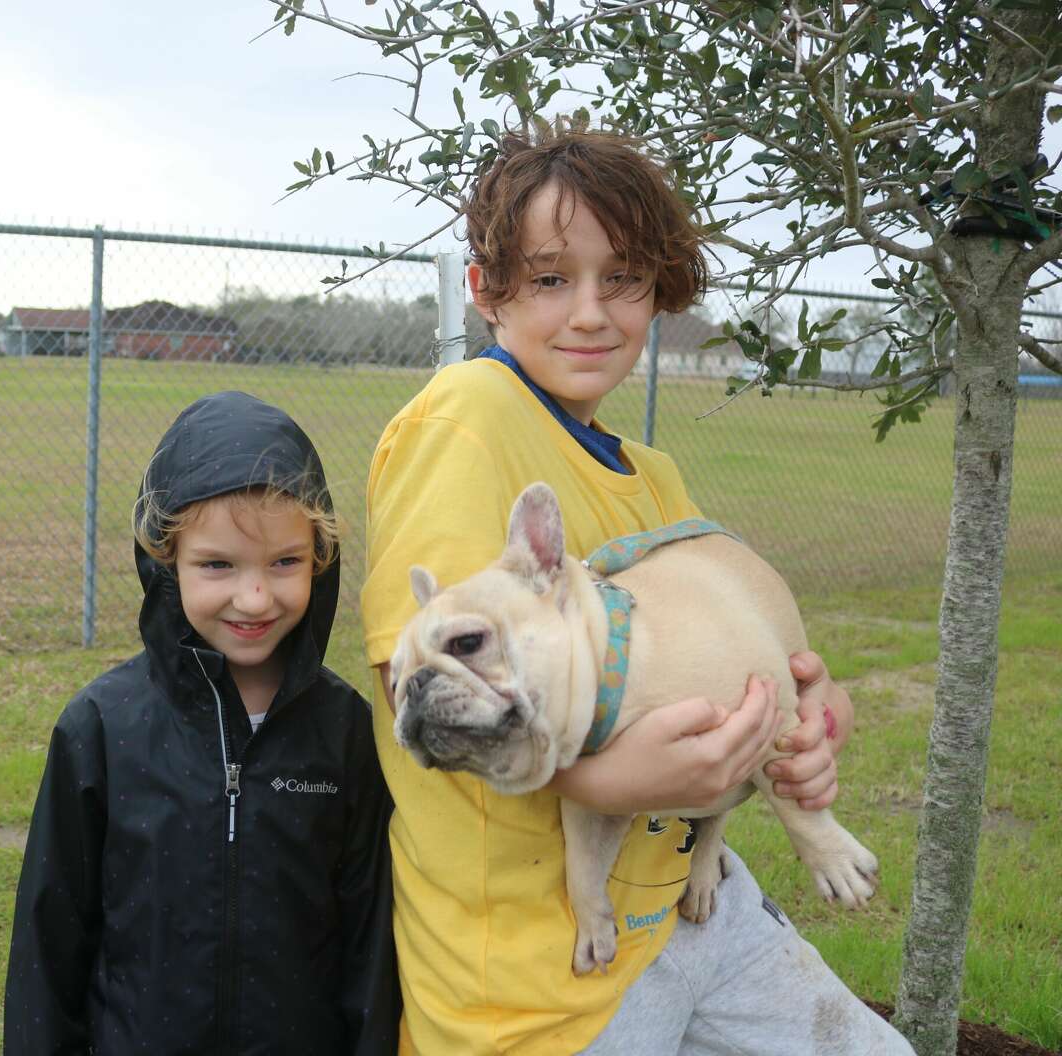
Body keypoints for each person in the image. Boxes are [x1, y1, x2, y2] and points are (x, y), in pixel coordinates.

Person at [361, 127, 913, 1054]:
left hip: (694, 909)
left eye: (620, 279)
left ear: (659, 291)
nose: (590, 313)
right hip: (541, 979)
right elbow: (418, 685)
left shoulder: (652, 478)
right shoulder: (469, 417)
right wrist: (617, 780)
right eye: (549, 279)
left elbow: (740, 645)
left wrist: (813, 713)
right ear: (484, 290)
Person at [4, 391, 399, 1055]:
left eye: (285, 563)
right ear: (165, 563)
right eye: (217, 565)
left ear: (320, 560)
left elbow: (371, 945)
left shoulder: (346, 732)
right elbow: (50, 945)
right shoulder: (101, 729)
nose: (254, 597)